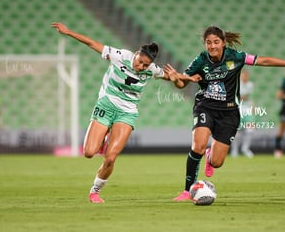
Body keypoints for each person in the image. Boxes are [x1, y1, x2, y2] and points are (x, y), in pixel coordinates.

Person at [51, 22, 198, 203]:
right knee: (89, 152)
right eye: (140, 62)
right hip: (106, 105)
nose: (141, 67)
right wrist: (68, 32)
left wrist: (182, 78)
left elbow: (176, 81)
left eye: (145, 65)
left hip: (127, 112)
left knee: (111, 157)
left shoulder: (151, 70)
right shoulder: (119, 55)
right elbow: (92, 43)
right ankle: (104, 137)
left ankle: (95, 191)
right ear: (136, 53)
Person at [164, 26, 285, 201]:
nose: (212, 46)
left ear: (224, 42)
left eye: (216, 42)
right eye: (208, 43)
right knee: (198, 145)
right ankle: (187, 190)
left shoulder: (236, 57)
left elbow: (263, 61)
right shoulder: (200, 60)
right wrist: (176, 80)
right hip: (205, 107)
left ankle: (209, 157)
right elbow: (183, 82)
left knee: (217, 162)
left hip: (229, 113)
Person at [231, 69, 255, 158]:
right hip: (238, 109)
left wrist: (253, 107)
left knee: (250, 130)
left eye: (246, 75)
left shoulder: (250, 85)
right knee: (237, 131)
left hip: (247, 109)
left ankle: (245, 149)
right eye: (243, 75)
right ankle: (235, 150)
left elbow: (249, 97)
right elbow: (239, 97)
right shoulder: (237, 84)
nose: (245, 77)